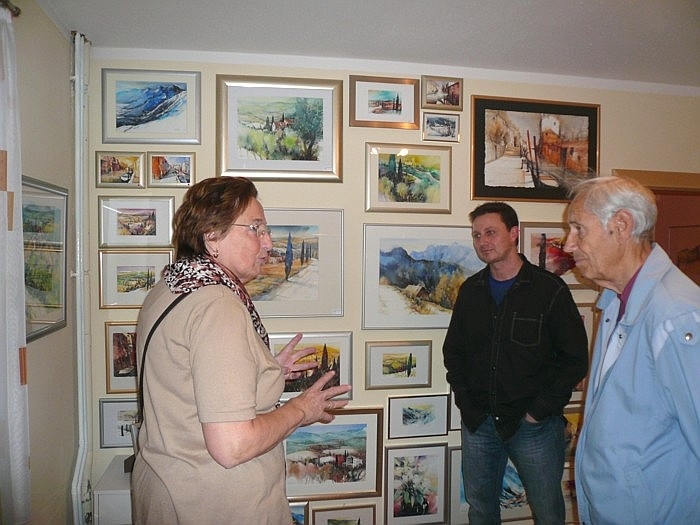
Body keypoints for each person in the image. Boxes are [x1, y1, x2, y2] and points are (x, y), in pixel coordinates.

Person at [131, 176, 351, 524]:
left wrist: (264, 369)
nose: (269, 242)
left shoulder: (171, 287)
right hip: (213, 503)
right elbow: (233, 446)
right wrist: (301, 409)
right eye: (255, 229)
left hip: (166, 487)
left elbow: (185, 380)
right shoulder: (217, 305)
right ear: (212, 236)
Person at [564, 175, 700, 524]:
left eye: (579, 229)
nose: (568, 244)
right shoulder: (614, 302)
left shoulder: (676, 315)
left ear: (621, 225)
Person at [442, 201, 588, 525]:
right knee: (481, 510)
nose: (483, 241)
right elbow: (454, 352)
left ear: (514, 233)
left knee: (548, 512)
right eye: (477, 235)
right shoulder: (471, 291)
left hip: (534, 428)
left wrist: (539, 411)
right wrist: (466, 402)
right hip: (480, 423)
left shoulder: (549, 290)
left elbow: (575, 359)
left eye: (490, 232)